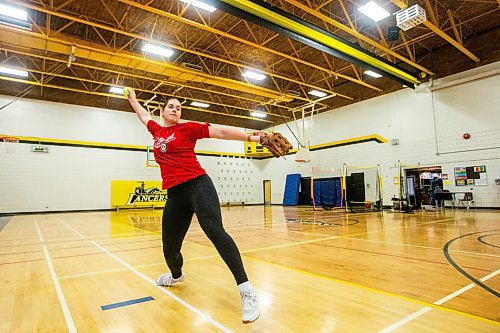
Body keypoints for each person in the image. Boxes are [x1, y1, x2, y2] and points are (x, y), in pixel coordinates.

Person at [127, 89, 282, 324]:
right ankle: (176, 275)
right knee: (169, 247)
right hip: (175, 195)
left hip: (198, 184)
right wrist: (133, 100)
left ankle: (247, 290)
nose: (175, 110)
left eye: (179, 108)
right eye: (171, 106)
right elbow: (142, 116)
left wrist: (252, 138)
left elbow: (219, 131)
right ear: (162, 111)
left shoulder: (187, 128)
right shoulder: (156, 131)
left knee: (215, 231)